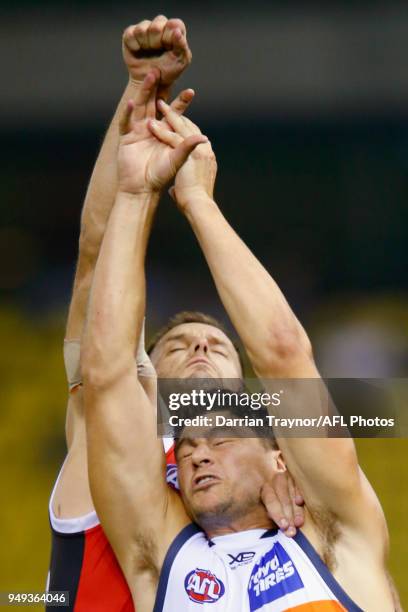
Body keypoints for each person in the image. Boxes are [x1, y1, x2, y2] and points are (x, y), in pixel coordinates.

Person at [81, 68, 397, 611]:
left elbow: (282, 352)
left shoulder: (336, 535)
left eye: (221, 440)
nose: (198, 455)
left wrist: (199, 202)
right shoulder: (163, 559)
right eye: (188, 447)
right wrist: (133, 193)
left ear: (282, 460)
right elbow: (106, 374)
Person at [47, 16, 303, 612]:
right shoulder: (106, 434)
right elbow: (95, 258)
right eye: (178, 346)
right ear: (145, 375)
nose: (200, 349)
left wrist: (294, 475)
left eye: (218, 347)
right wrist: (139, 98)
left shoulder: (280, 481)